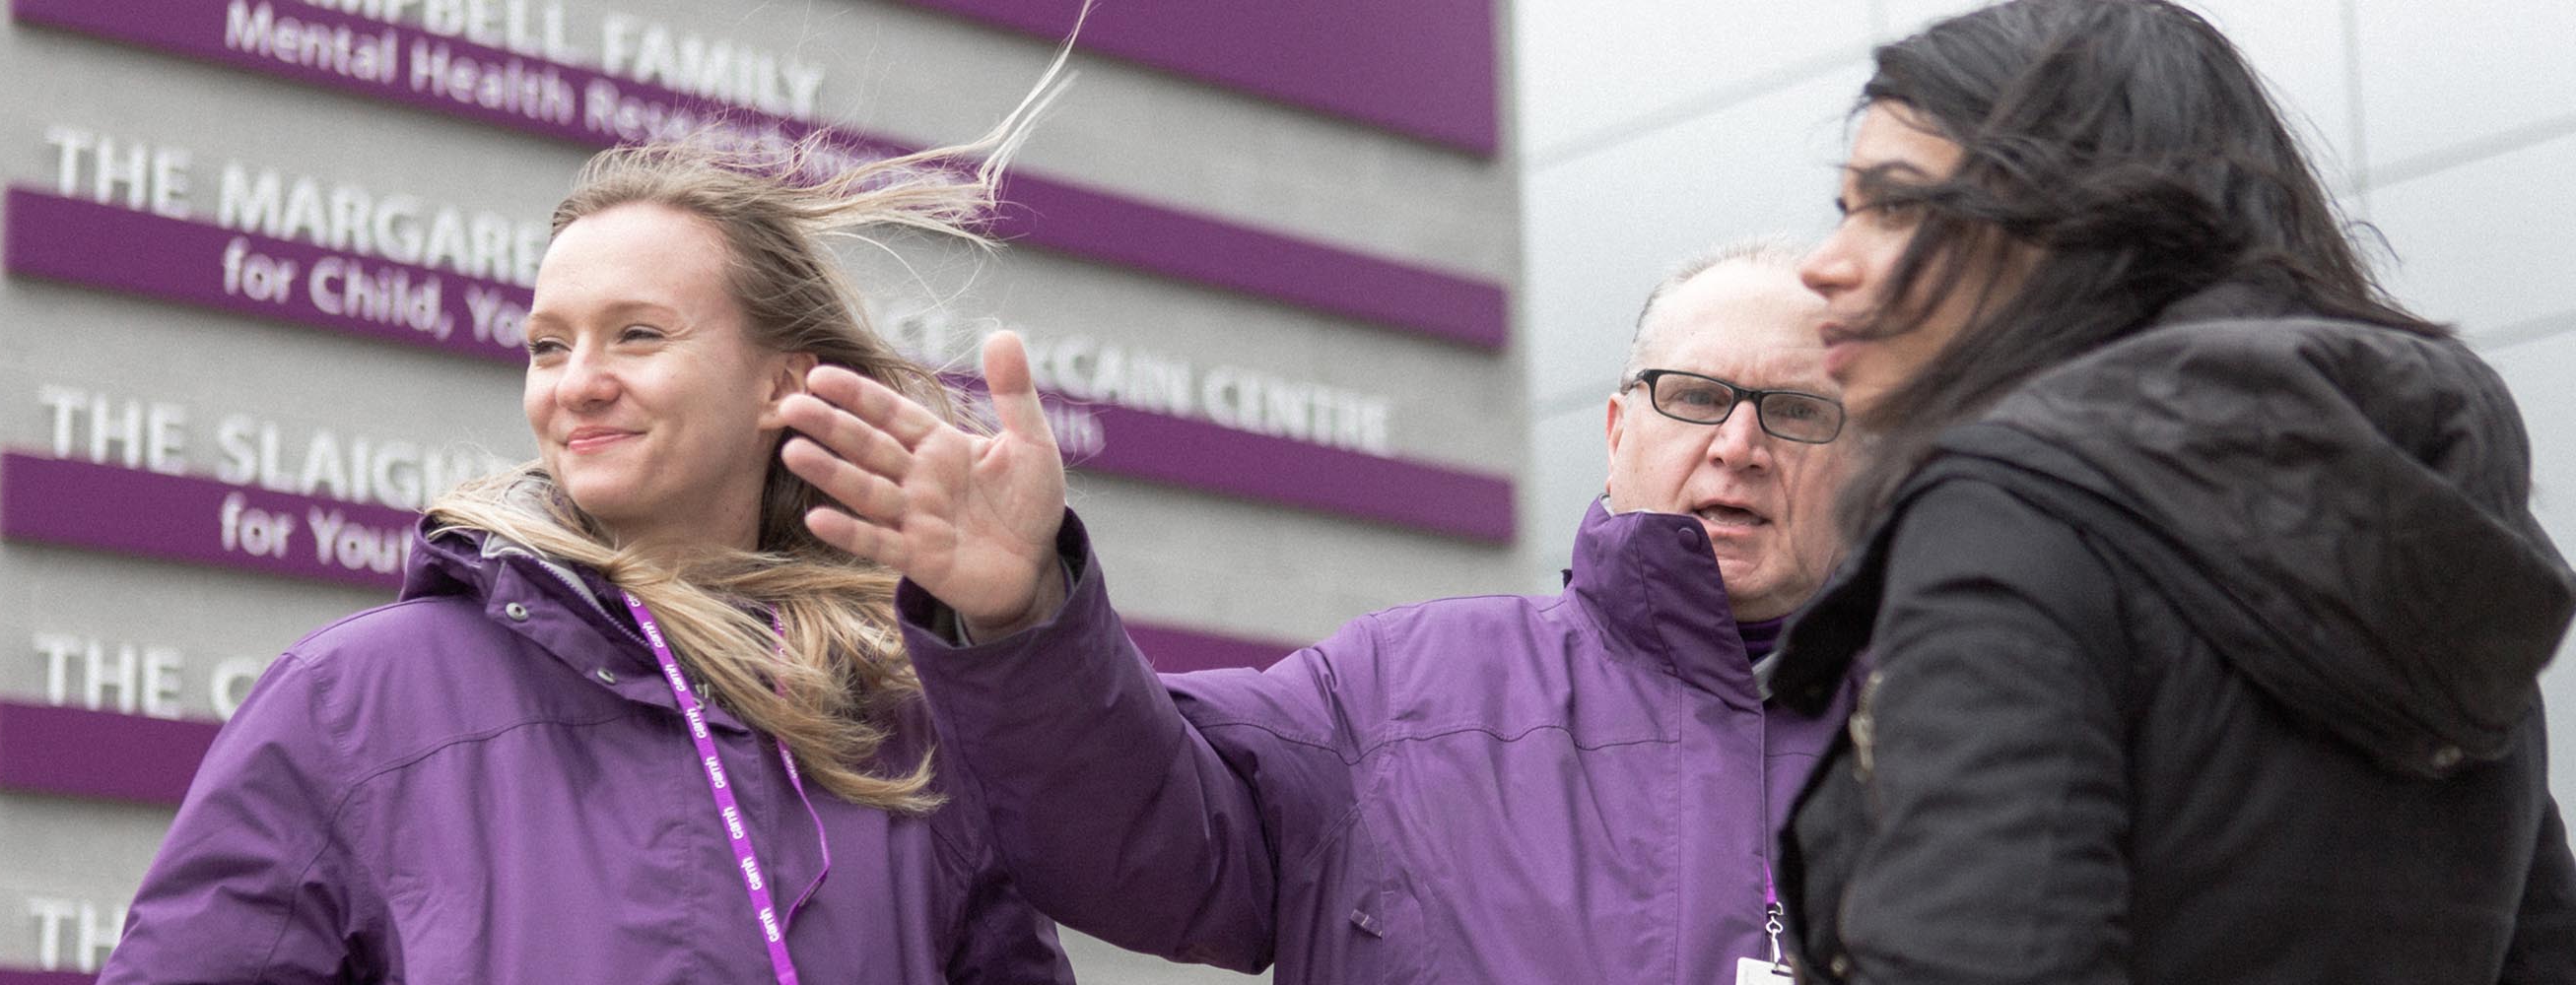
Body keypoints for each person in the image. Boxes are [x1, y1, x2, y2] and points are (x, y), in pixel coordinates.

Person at [95, 97, 1077, 984]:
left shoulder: (905, 725)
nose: (580, 381)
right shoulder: (350, 700)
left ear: (783, 381)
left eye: (637, 335)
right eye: (548, 345)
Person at [774, 242, 1862, 982]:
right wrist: (1022, 615)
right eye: (1698, 396)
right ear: (1619, 431)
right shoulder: (1403, 692)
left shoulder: (1969, 732)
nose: (1739, 445)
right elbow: (1139, 834)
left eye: (1797, 410)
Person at [1762, 1, 2576, 981]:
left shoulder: (2012, 513)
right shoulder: (2421, 519)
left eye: (1893, 204)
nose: (1822, 264)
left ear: (2070, 222)